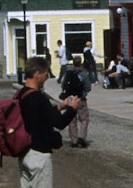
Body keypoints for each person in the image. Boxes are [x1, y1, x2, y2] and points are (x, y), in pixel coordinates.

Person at [16, 56, 83, 188]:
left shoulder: (21, 94)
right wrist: (72, 109)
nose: (46, 78)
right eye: (45, 75)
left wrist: (59, 107)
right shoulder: (38, 97)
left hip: (24, 152)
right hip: (39, 153)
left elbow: (39, 115)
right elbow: (59, 123)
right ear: (37, 74)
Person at [61, 57, 93, 147]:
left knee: (72, 120)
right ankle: (82, 138)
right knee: (84, 119)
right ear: (81, 63)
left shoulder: (69, 73)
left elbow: (63, 85)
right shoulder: (84, 74)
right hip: (81, 99)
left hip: (70, 99)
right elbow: (88, 87)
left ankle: (74, 140)